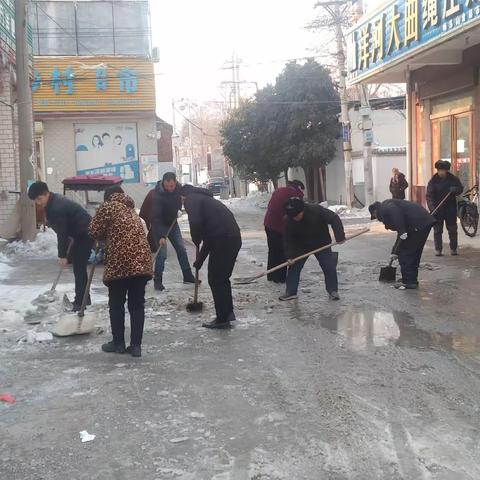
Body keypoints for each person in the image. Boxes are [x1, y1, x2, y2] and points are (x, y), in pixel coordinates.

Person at [89, 186, 153, 357]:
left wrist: (102, 238)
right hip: (142, 263)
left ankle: (118, 344)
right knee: (137, 305)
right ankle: (136, 346)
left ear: (108, 197)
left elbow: (93, 230)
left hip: (121, 263)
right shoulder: (132, 210)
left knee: (116, 304)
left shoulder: (108, 206)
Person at [181, 185, 241, 329]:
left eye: (181, 200)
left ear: (183, 196)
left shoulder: (191, 199)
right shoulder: (205, 200)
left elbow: (195, 222)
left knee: (216, 279)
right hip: (232, 238)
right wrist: (200, 260)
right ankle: (228, 313)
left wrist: (195, 237)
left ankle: (222, 319)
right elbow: (209, 236)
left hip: (223, 239)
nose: (183, 203)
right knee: (222, 278)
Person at [28, 181, 93, 312]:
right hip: (78, 234)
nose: (38, 203)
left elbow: (62, 233)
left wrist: (62, 255)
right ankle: (84, 299)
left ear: (46, 194)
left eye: (39, 199)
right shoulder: (52, 202)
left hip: (85, 234)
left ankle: (80, 302)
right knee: (78, 268)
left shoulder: (57, 206)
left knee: (79, 269)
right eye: (36, 200)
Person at [280, 197, 345, 302]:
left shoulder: (316, 210)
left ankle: (333, 291)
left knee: (329, 266)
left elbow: (334, 218)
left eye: (297, 215)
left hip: (321, 243)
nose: (295, 218)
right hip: (300, 246)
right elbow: (287, 240)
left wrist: (340, 236)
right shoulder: (287, 220)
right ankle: (291, 292)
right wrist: (289, 256)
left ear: (302, 210)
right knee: (293, 267)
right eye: (292, 216)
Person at [139, 172, 195, 291]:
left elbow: (189, 192)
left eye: (172, 186)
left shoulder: (179, 189)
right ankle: (158, 280)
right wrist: (161, 236)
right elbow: (156, 217)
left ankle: (188, 276)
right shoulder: (157, 195)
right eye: (168, 186)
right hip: (158, 225)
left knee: (181, 248)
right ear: (163, 183)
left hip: (172, 223)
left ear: (175, 183)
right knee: (162, 254)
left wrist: (180, 208)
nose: (170, 189)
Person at [369, 199, 436, 290]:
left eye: (375, 216)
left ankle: (410, 282)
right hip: (422, 223)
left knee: (406, 253)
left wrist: (402, 230)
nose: (378, 219)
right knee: (413, 252)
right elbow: (400, 236)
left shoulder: (386, 207)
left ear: (375, 211)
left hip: (418, 224)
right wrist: (395, 251)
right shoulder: (387, 207)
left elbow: (395, 212)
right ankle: (410, 279)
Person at [264, 180, 305, 283]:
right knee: (282, 251)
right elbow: (297, 209)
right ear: (299, 187)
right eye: (303, 190)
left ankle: (271, 275)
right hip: (278, 225)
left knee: (273, 250)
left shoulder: (280, 190)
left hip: (268, 223)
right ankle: (280, 277)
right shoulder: (294, 194)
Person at [426, 160, 463, 256]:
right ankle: (438, 250)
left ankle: (453, 249)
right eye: (439, 170)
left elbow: (460, 188)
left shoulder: (453, 179)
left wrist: (456, 190)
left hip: (450, 209)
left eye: (443, 170)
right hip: (437, 209)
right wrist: (432, 208)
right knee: (437, 230)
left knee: (452, 230)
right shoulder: (433, 181)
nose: (441, 172)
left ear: (446, 170)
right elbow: (429, 196)